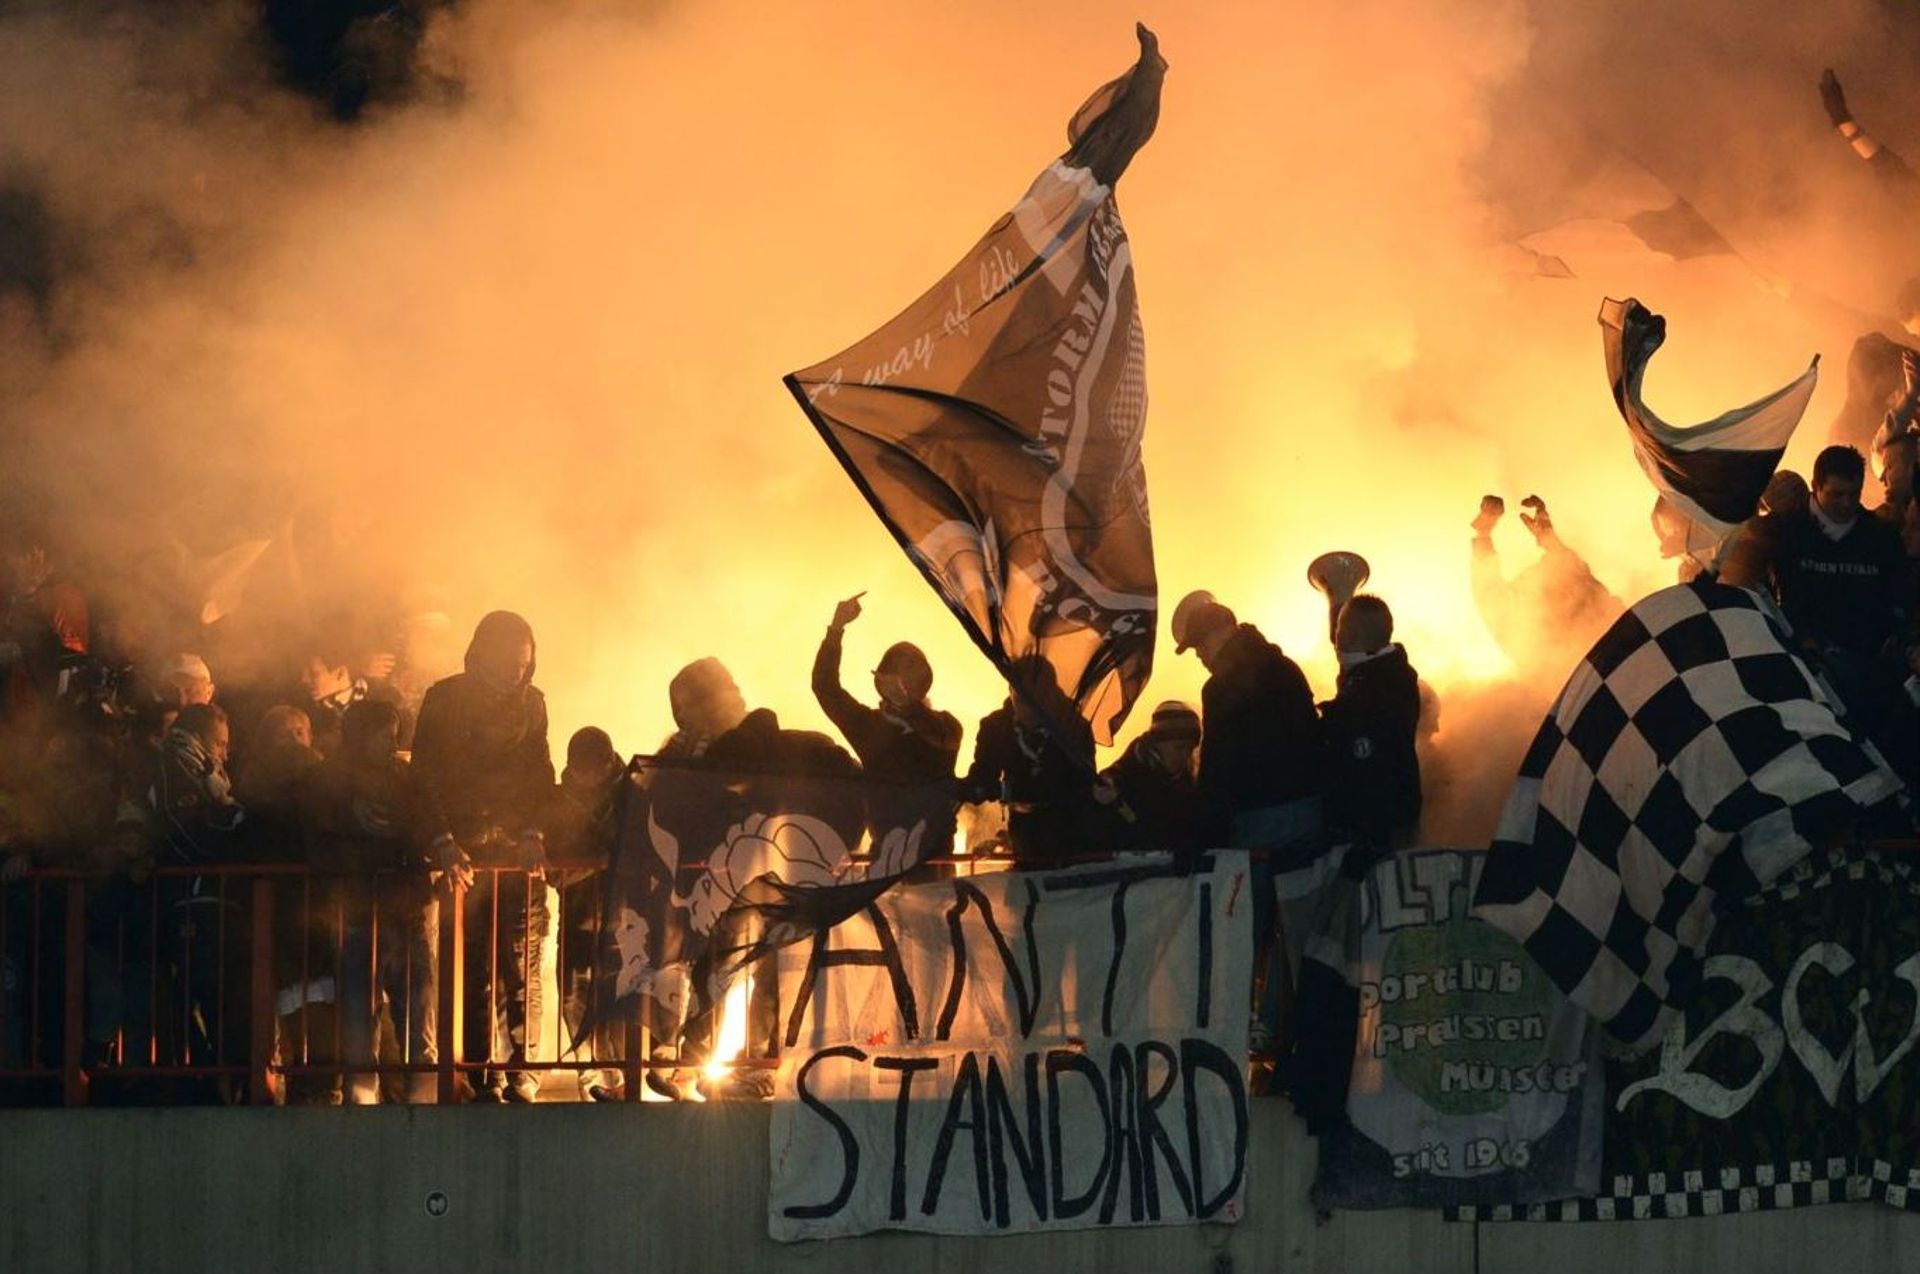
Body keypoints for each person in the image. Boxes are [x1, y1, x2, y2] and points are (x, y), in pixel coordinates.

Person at [409, 610, 554, 1103]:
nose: (518, 673)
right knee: (473, 968)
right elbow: (424, 778)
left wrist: (534, 831)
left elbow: (540, 774)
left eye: (525, 664)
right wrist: (443, 840)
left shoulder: (533, 704)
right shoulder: (444, 700)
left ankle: (523, 1070)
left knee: (522, 965)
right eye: (511, 663)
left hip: (517, 856)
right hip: (464, 857)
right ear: (483, 654)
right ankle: (481, 1070)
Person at [1170, 588, 1322, 1055]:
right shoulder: (1286, 667)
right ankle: (1278, 1028)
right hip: (1308, 818)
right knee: (1291, 932)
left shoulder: (1223, 686)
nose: (1199, 658)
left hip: (1257, 826)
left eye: (1198, 647)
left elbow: (1220, 768)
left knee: (1240, 929)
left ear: (1213, 636)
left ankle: (1229, 1030)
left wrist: (1199, 835)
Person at [304, 699, 435, 1104]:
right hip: (358, 910)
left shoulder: (405, 778)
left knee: (417, 1004)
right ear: (361, 737)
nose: (391, 744)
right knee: (360, 1011)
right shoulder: (330, 781)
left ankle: (423, 1091)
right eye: (383, 736)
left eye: (394, 736)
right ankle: (363, 1093)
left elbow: (428, 822)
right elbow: (320, 843)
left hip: (404, 909)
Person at [1749, 445, 1911, 768]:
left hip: (1872, 675)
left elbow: (1900, 599)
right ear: (1816, 486)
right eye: (1836, 495)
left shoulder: (1881, 538)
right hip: (1808, 676)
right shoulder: (1785, 533)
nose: (1847, 504)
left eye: (1854, 494)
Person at [812, 593, 962, 875]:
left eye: (909, 674)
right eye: (893, 674)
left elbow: (941, 740)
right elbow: (825, 687)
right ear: (880, 681)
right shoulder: (868, 726)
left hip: (937, 862)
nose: (900, 683)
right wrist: (835, 629)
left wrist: (907, 706)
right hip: (885, 860)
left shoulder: (946, 725)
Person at [546, 726, 635, 1102]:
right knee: (574, 996)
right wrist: (596, 863)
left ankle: (619, 1078)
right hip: (579, 913)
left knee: (618, 998)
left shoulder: (631, 794)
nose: (587, 779)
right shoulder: (558, 801)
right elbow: (554, 871)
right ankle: (593, 1077)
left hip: (624, 916)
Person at [958, 655, 1097, 869]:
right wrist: (969, 788)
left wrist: (1007, 790)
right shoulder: (996, 727)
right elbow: (983, 774)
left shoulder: (1074, 728)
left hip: (1070, 835)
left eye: (1038, 699)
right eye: (1022, 699)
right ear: (1010, 692)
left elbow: (1078, 789)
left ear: (1051, 695)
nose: (1029, 708)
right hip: (1023, 834)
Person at [1318, 595, 1423, 854]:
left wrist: (1365, 852)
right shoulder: (1390, 675)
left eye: (1339, 628)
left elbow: (1373, 777)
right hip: (1390, 824)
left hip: (1371, 836)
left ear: (1349, 635)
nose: (1335, 636)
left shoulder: (1368, 695)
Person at [1470, 495, 1622, 667]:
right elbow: (1490, 598)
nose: (1569, 593)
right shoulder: (1540, 650)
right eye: (1560, 590)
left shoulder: (1602, 613)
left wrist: (1549, 540)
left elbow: (1489, 596)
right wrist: (1483, 534)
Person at [1096, 700, 1201, 859]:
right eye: (1179, 747)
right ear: (1158, 743)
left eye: (1190, 748)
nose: (1185, 754)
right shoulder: (1119, 779)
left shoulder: (1189, 787)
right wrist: (1104, 797)